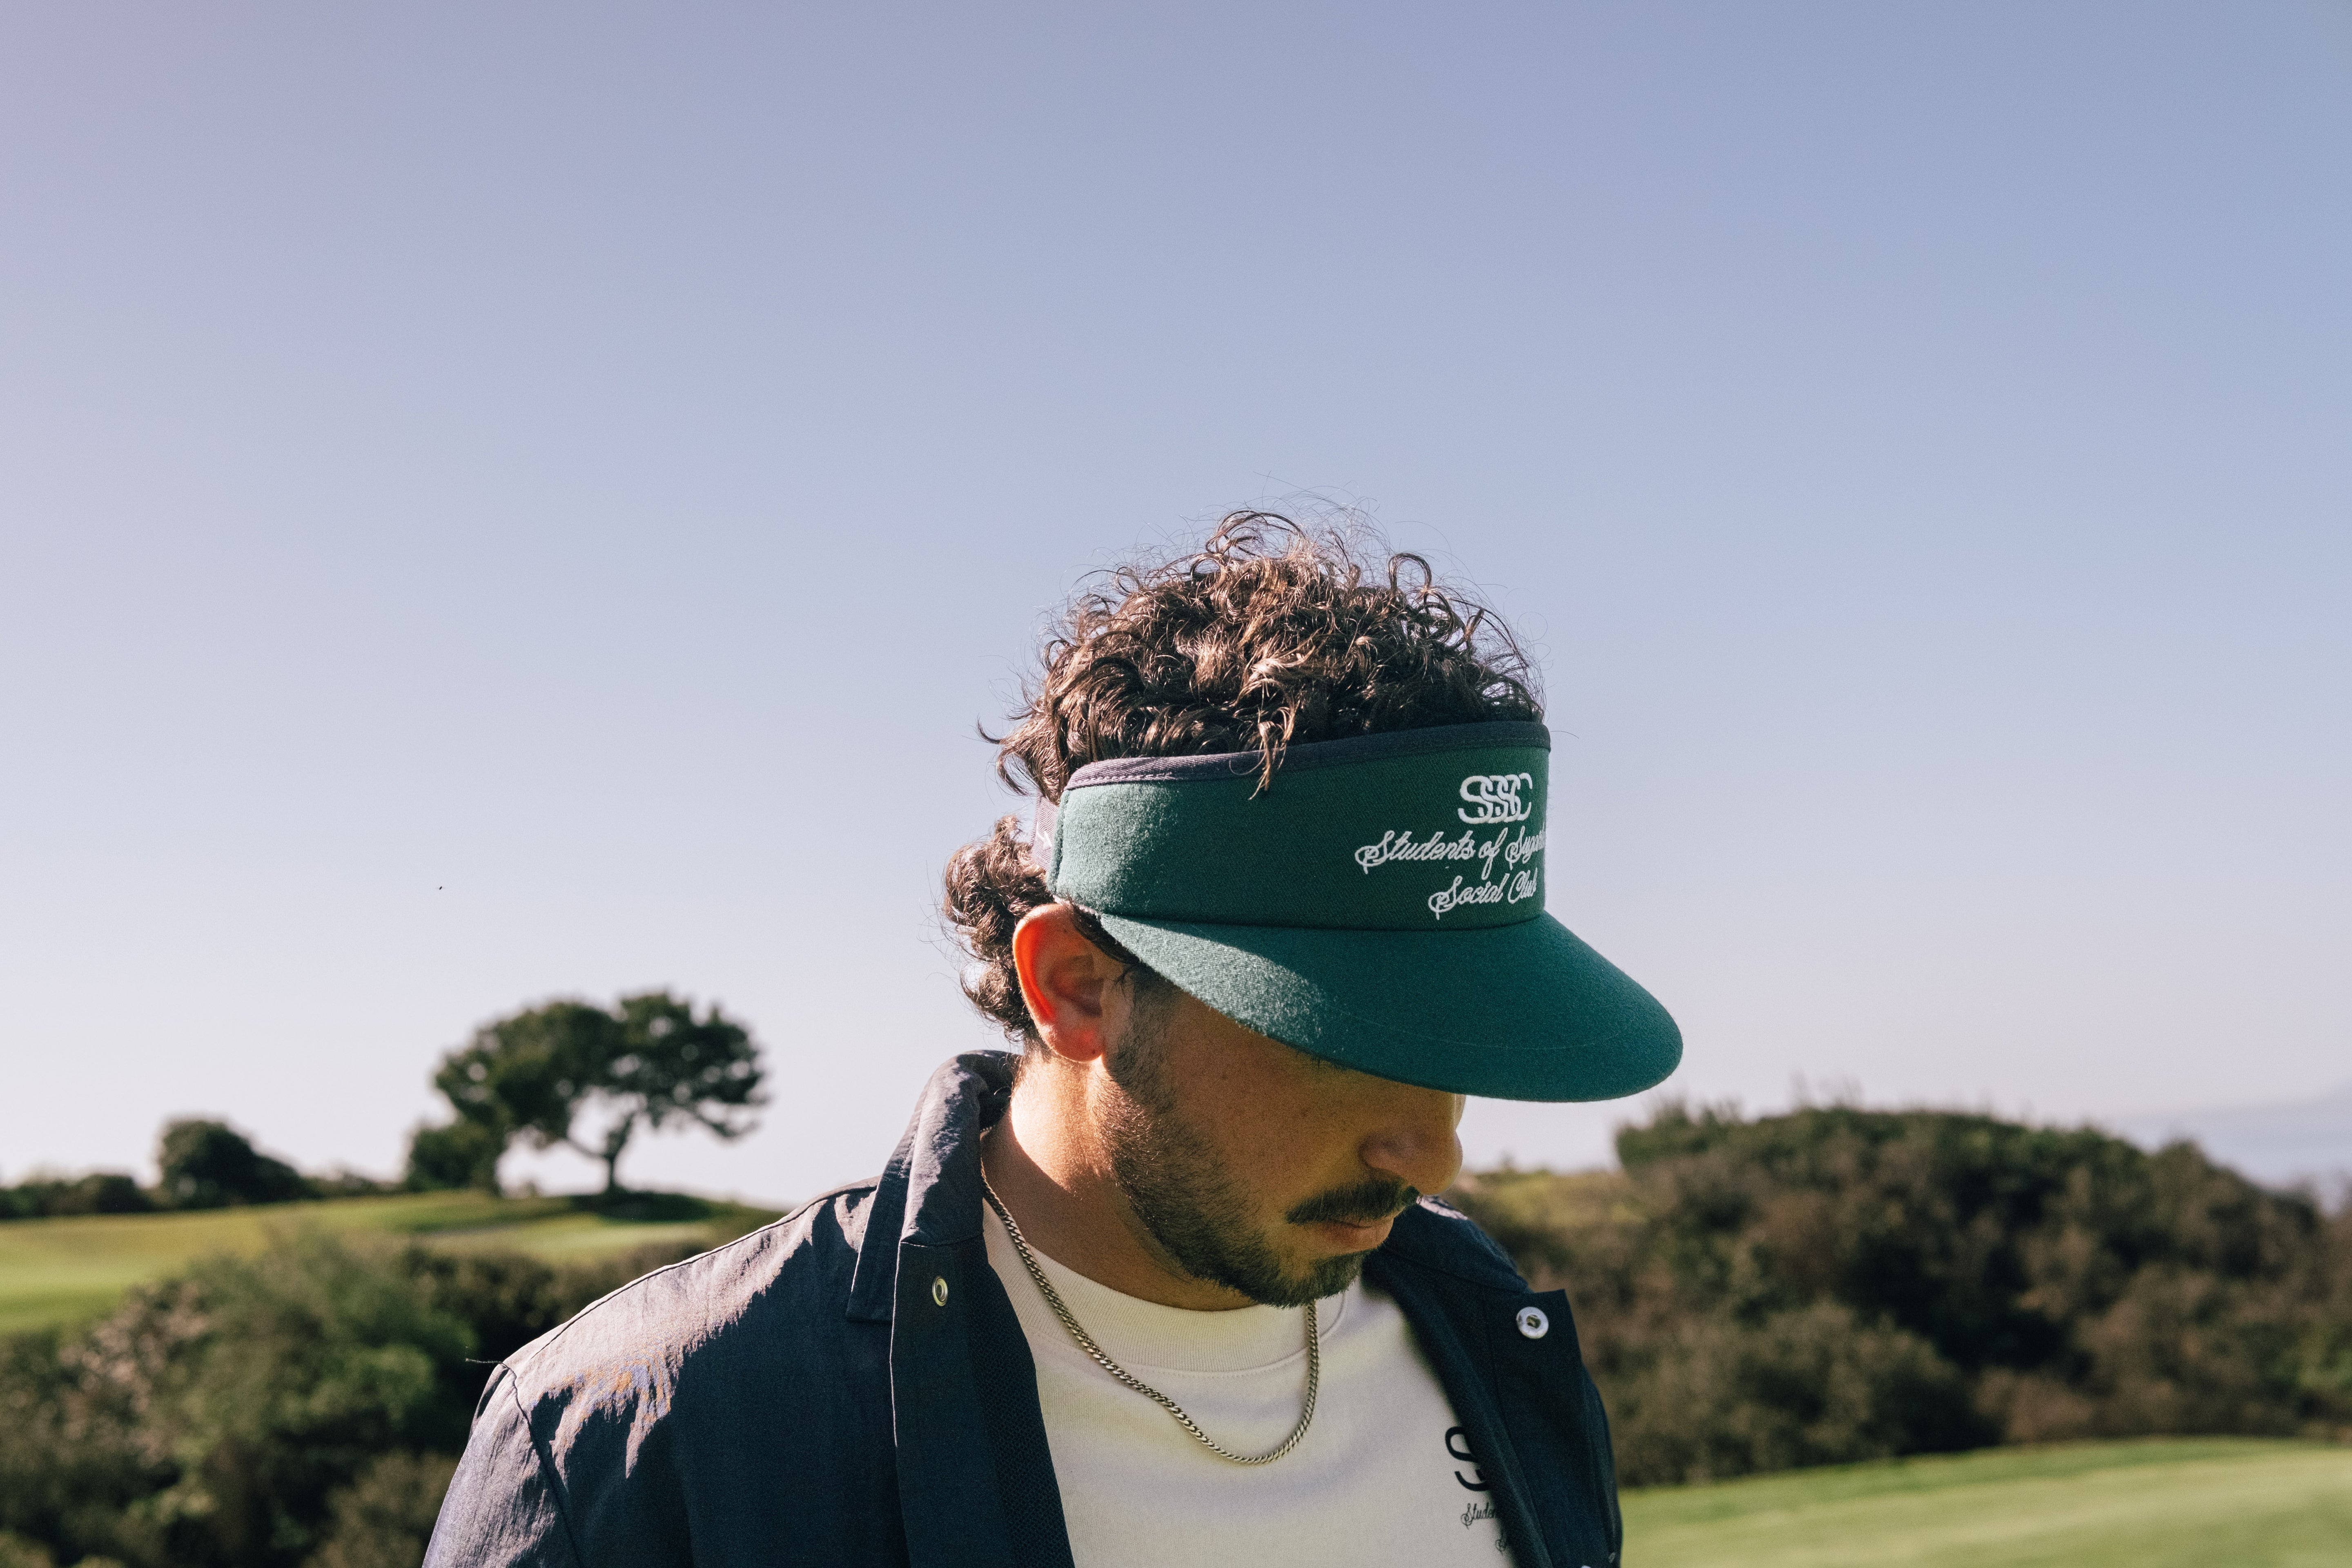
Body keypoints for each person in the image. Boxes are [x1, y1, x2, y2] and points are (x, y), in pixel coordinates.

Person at [424, 514, 1682, 1568]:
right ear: (1077, 985)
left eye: (1464, 1045)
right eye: (1342, 1037)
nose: (1435, 1153)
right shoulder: (652, 1441)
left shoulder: (1490, 1331)